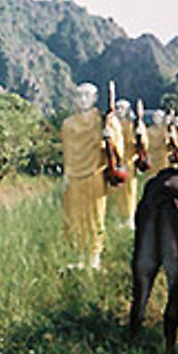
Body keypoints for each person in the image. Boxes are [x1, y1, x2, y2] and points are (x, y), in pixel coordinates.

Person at [61, 82, 122, 270]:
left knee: (95, 216)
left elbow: (119, 151)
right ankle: (78, 255)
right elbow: (67, 153)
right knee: (74, 217)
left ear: (95, 98)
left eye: (87, 95)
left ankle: (94, 256)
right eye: (79, 95)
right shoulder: (68, 124)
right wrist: (65, 174)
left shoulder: (104, 121)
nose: (83, 99)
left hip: (94, 174)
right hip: (73, 177)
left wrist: (109, 138)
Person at [108, 99, 138, 229]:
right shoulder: (112, 124)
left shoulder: (132, 125)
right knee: (114, 192)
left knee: (129, 192)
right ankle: (115, 218)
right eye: (118, 108)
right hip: (114, 163)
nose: (120, 111)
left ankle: (129, 217)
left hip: (129, 162)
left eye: (122, 108)